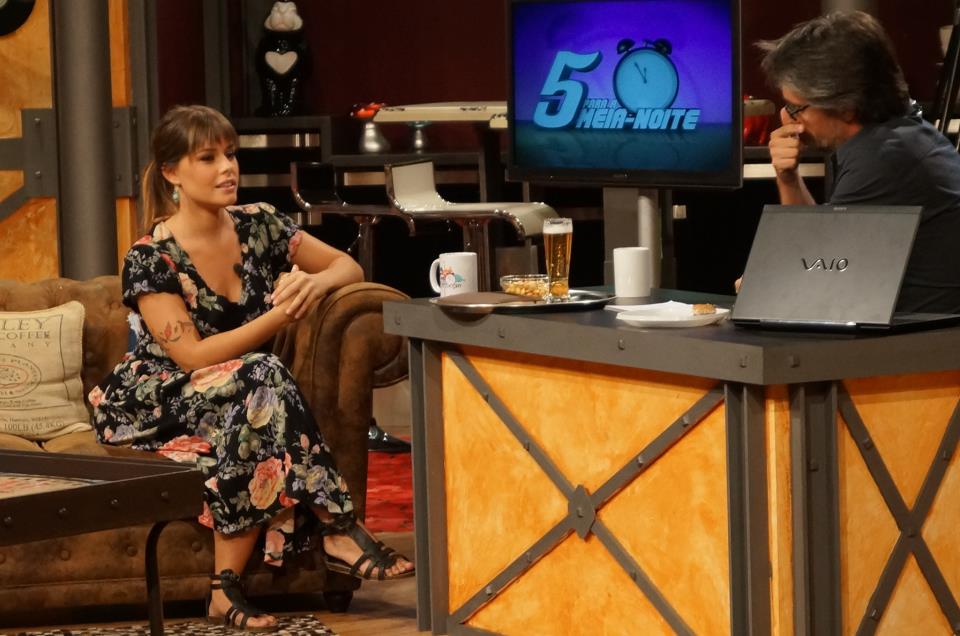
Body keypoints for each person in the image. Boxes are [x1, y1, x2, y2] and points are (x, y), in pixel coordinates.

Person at [89, 105, 413, 632]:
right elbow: (193, 357)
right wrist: (281, 314)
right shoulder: (150, 257)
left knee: (256, 405)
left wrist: (313, 284)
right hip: (156, 397)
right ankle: (336, 527)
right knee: (263, 373)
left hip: (242, 391)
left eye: (231, 154)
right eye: (208, 158)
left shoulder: (260, 223)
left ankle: (225, 590)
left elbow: (348, 266)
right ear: (172, 172)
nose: (227, 168)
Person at [746, 11, 960, 312]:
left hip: (920, 338)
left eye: (796, 108)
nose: (789, 119)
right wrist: (788, 177)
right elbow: (814, 252)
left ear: (845, 106)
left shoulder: (885, 158)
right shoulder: (896, 136)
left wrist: (765, 283)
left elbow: (812, 283)